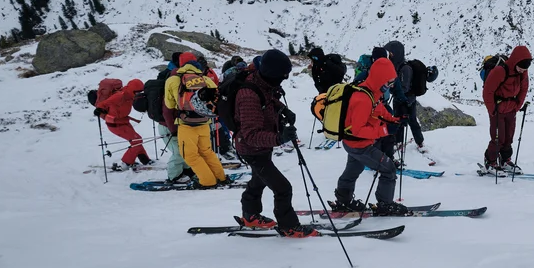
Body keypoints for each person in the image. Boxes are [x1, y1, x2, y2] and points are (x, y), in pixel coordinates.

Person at [233, 50, 318, 237]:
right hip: (251, 149)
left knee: (259, 180)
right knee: (283, 188)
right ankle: (288, 226)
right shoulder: (248, 95)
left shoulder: (261, 82)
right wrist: (279, 138)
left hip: (261, 148)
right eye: (282, 76)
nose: (284, 79)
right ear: (272, 73)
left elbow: (268, 98)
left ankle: (250, 214)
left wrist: (283, 109)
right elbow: (251, 135)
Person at [330, 57, 409, 216]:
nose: (390, 86)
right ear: (380, 79)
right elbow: (358, 130)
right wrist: (385, 131)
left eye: (392, 82)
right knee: (389, 169)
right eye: (388, 82)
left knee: (353, 170)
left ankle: (343, 201)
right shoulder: (363, 99)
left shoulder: (369, 91)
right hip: (360, 145)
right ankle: (385, 205)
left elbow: (379, 110)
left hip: (353, 144)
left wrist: (395, 120)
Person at [163, 52, 229, 189]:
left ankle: (207, 181)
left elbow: (169, 105)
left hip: (186, 125)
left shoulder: (173, 80)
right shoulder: (206, 79)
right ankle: (221, 177)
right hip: (204, 122)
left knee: (190, 156)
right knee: (207, 152)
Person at [482, 45, 532, 172]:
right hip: (498, 109)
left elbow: (524, 89)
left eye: (525, 68)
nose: (523, 71)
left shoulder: (523, 72)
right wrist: (492, 109)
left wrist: (517, 106)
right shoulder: (500, 71)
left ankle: (505, 160)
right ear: (515, 62)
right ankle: (490, 161)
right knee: (498, 138)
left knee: (509, 136)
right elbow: (488, 91)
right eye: (521, 67)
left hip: (511, 109)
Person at [95, 78, 152, 169]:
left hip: (124, 121)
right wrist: (99, 110)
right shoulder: (119, 96)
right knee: (137, 140)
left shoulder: (130, 96)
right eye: (137, 92)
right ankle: (126, 162)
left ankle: (145, 159)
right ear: (131, 90)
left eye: (140, 92)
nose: (138, 94)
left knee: (136, 140)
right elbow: (102, 104)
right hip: (115, 124)